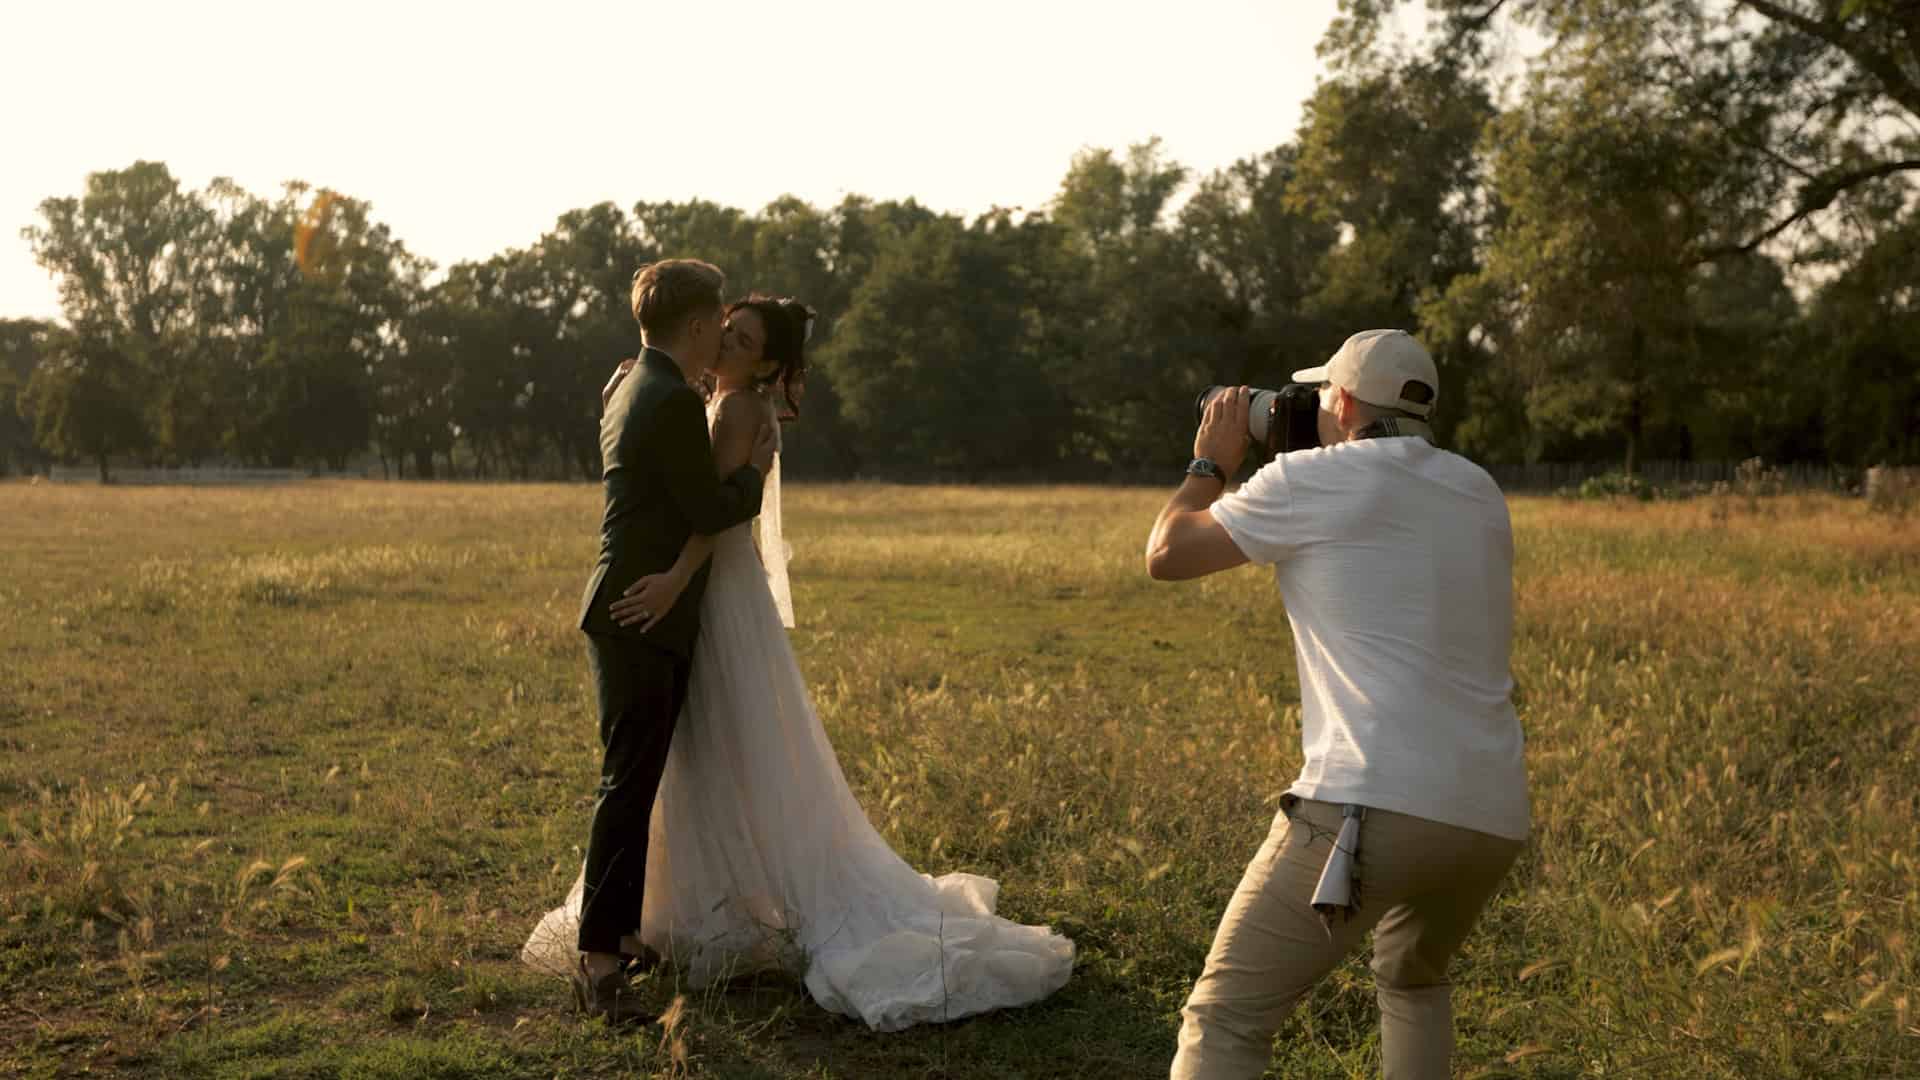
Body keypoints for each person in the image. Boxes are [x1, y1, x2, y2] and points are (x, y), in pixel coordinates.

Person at [526, 294, 1074, 1031]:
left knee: (696, 751)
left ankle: (655, 924)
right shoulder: (707, 401)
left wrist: (676, 577)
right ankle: (661, 914)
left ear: (770, 363)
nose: (726, 340)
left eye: (744, 338)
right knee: (688, 755)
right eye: (727, 329)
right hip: (703, 594)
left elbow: (714, 517)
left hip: (705, 590)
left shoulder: (730, 411)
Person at [1145, 330, 1529, 1079]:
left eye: (1321, 393)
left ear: (1344, 399)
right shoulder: (1477, 488)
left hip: (1371, 803)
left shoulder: (1312, 481)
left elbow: (1167, 554)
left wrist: (1211, 464)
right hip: (1491, 813)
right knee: (1414, 982)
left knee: (1225, 1016)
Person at [568, 259, 776, 1022]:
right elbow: (708, 505)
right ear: (696, 325)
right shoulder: (669, 400)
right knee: (627, 782)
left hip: (629, 601)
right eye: (719, 319)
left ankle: (621, 936)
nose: (725, 329)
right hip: (640, 609)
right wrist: (754, 470)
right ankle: (597, 964)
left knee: (638, 775)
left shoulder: (632, 381)